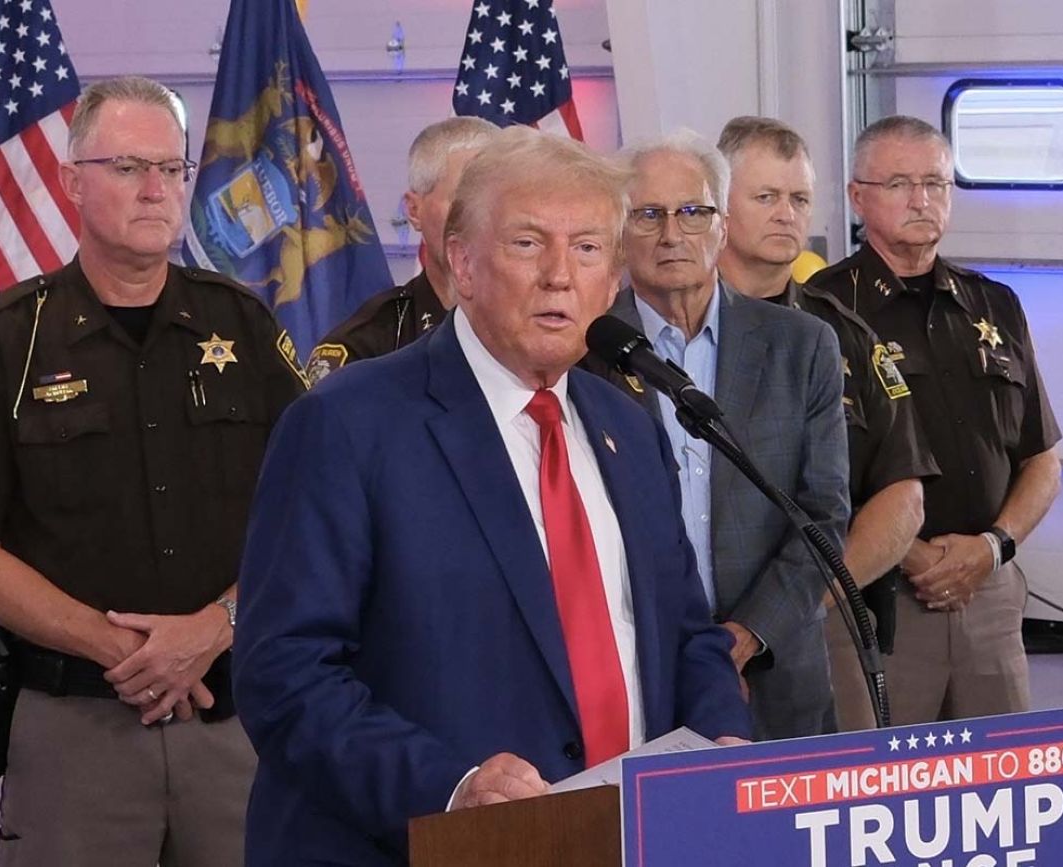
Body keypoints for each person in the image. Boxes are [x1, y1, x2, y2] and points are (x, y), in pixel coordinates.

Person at [233, 127, 751, 866]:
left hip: (622, 842)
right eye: (528, 244)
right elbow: (284, 674)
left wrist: (721, 739)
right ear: (463, 263)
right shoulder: (347, 423)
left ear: (613, 281)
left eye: (587, 248)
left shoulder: (627, 428)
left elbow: (686, 633)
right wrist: (452, 787)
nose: (559, 277)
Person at [0, 76, 307, 866]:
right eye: (126, 167)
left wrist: (211, 628)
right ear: (71, 182)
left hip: (232, 720)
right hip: (75, 724)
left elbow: (315, 514)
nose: (155, 189)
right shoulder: (7, 341)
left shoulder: (244, 327)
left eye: (171, 167)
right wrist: (123, 648)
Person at [595, 130, 850, 740]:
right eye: (648, 214)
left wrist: (744, 637)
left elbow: (823, 513)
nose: (671, 234)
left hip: (777, 669)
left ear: (722, 222)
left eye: (692, 212)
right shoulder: (588, 352)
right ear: (619, 230)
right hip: (637, 673)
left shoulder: (801, 344)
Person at [808, 115, 1062, 724]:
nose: (922, 200)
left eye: (936, 183)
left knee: (1005, 785)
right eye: (899, 183)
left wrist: (993, 548)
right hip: (882, 599)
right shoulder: (819, 311)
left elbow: (1042, 458)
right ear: (857, 196)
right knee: (884, 794)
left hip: (989, 594)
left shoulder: (995, 304)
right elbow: (808, 472)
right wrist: (910, 553)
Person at [716, 116, 939, 730]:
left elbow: (902, 491)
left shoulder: (843, 333)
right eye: (765, 197)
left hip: (818, 624)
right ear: (717, 206)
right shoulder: (663, 332)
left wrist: (784, 609)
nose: (787, 214)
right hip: (685, 632)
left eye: (799, 199)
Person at [304, 116, 498, 383]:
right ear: (414, 211)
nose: (483, 218)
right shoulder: (364, 350)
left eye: (500, 202)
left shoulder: (554, 336)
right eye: (462, 200)